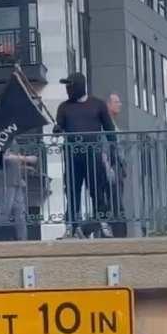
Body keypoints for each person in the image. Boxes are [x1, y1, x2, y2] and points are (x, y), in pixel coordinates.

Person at [54, 72, 117, 239]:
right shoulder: (64, 107)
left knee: (97, 190)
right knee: (72, 191)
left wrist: (113, 154)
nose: (68, 89)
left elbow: (110, 130)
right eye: (67, 86)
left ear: (80, 86)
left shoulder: (98, 104)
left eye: (71, 85)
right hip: (72, 154)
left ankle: (103, 224)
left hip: (93, 154)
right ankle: (71, 227)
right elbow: (59, 126)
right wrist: (57, 129)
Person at [106, 93, 129, 238]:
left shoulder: (113, 123)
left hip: (117, 166)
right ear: (108, 104)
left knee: (116, 200)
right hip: (112, 166)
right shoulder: (106, 124)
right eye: (116, 101)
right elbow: (105, 146)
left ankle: (118, 231)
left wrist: (123, 165)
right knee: (114, 201)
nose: (119, 104)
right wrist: (109, 166)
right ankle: (119, 233)